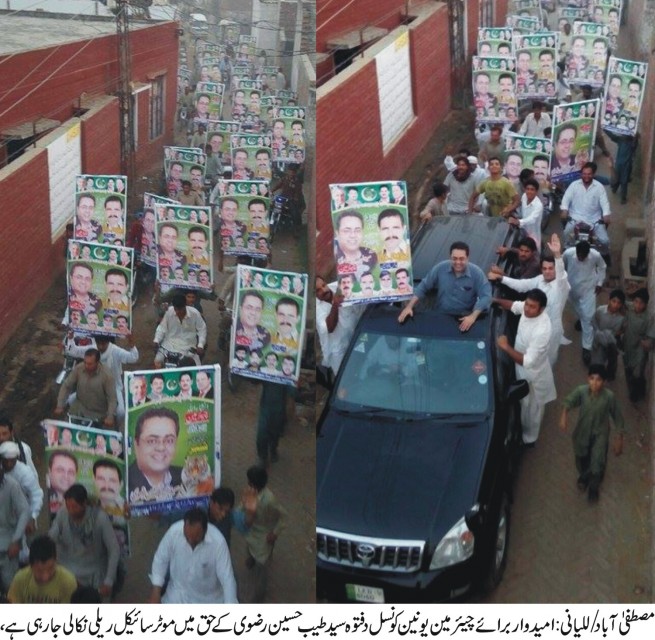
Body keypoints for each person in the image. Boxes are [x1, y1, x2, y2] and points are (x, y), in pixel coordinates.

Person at [489, 234, 570, 365]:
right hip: (532, 325)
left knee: (545, 362)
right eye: (544, 268)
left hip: (550, 332)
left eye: (551, 268)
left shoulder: (561, 284)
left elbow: (561, 274)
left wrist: (557, 255)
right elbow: (522, 285)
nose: (547, 271)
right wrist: (501, 278)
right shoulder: (540, 279)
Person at [496, 289, 556, 446]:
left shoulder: (542, 330)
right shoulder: (527, 308)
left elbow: (528, 361)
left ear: (541, 309)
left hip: (533, 374)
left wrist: (505, 346)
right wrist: (493, 301)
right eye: (527, 304)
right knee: (523, 404)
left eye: (532, 307)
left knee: (532, 410)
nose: (527, 309)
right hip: (520, 366)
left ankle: (529, 439)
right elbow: (513, 305)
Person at [560, 365, 624, 502]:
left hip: (600, 435)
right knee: (581, 458)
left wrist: (619, 438)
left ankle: (593, 488)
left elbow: (618, 417)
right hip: (583, 432)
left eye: (599, 380)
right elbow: (569, 401)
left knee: (597, 462)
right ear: (587, 379)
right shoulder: (581, 392)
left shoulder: (609, 397)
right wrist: (564, 415)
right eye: (592, 378)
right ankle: (584, 476)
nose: (594, 383)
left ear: (604, 382)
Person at [398, 241, 492, 332]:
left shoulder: (477, 273)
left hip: (464, 319)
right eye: (454, 258)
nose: (458, 262)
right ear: (450, 257)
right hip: (441, 316)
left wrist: (473, 317)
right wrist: (409, 307)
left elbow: (486, 296)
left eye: (461, 258)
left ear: (467, 258)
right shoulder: (440, 268)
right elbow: (424, 286)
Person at [149, 507, 237, 604]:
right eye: (187, 537)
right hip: (177, 594)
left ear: (205, 530)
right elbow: (160, 560)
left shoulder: (218, 542)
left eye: (195, 538)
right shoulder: (174, 532)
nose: (190, 541)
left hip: (209, 600)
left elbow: (227, 579)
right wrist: (156, 592)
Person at [48, 484, 119, 598]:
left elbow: (114, 550)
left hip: (94, 574)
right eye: (68, 506)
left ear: (84, 504)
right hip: (68, 571)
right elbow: (52, 535)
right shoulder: (63, 513)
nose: (71, 511)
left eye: (75, 507)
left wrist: (108, 581)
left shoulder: (100, 518)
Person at [238, 466, 287, 603]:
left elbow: (284, 517)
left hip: (264, 537)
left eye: (250, 482)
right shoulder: (250, 493)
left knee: (261, 570)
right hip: (251, 532)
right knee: (249, 550)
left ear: (255, 484)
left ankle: (259, 596)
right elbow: (242, 506)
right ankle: (251, 559)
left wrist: (275, 533)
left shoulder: (269, 500)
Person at [563, 241, 607, 365]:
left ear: (588, 253)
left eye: (584, 255)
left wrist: (600, 283)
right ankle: (580, 318)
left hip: (589, 289)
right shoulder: (568, 254)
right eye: (579, 255)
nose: (581, 257)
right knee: (577, 309)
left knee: (588, 318)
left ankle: (586, 348)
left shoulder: (596, 255)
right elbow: (561, 266)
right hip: (572, 288)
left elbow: (603, 267)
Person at [315, 276, 364, 384]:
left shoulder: (340, 286)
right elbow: (329, 328)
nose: (324, 290)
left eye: (323, 285)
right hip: (337, 350)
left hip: (356, 341)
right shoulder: (317, 308)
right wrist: (335, 304)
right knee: (343, 382)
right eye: (318, 290)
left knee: (360, 374)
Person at [128, 407, 183, 502]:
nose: (161, 448)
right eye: (152, 441)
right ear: (136, 445)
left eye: (169, 440)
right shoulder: (125, 482)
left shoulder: (186, 476)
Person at [55, 348, 117, 427]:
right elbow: (66, 385)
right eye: (85, 362)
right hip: (79, 408)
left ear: (97, 363)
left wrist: (110, 416)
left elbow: (112, 398)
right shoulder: (79, 368)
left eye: (90, 364)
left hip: (98, 414)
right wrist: (60, 405)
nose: (86, 366)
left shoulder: (107, 376)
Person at [560, 162, 611, 257]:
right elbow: (566, 199)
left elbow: (605, 203)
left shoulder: (599, 187)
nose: (586, 176)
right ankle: (567, 250)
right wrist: (564, 210)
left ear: (593, 174)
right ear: (581, 174)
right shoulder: (574, 185)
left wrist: (606, 215)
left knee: (605, 241)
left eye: (589, 174)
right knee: (566, 233)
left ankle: (604, 255)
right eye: (584, 174)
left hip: (594, 220)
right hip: (575, 218)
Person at [7, 535, 77, 603]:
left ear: (56, 561)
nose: (45, 577)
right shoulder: (20, 579)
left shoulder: (68, 582)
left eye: (50, 568)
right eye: (39, 571)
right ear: (30, 565)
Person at [153, 293, 207, 368]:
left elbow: (202, 330)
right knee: (157, 361)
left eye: (180, 309)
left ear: (185, 306)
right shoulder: (169, 312)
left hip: (188, 347)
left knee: (196, 368)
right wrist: (156, 340)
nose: (177, 312)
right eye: (176, 309)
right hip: (168, 345)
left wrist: (200, 345)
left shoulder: (195, 313)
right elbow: (161, 328)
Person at [0, 442, 43, 535]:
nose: (9, 464)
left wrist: (33, 516)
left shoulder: (25, 472)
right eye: (6, 460)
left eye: (12, 460)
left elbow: (36, 495)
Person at [622, 288, 655, 403]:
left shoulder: (649, 318)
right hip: (628, 343)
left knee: (638, 370)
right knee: (628, 367)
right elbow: (623, 301)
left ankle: (636, 393)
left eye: (641, 303)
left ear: (645, 304)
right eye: (636, 301)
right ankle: (633, 387)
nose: (637, 305)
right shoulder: (630, 308)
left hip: (640, 347)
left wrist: (647, 343)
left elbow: (650, 338)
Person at [591, 289, 625, 380]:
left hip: (610, 342)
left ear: (621, 305)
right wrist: (598, 333)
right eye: (614, 301)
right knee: (597, 364)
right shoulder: (600, 310)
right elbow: (594, 322)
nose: (615, 305)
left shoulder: (620, 319)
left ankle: (611, 373)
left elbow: (616, 333)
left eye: (619, 303)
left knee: (613, 357)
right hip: (599, 339)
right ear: (609, 300)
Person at [606, 131, 639, 205]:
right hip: (621, 164)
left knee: (623, 181)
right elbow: (612, 136)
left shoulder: (630, 143)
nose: (623, 134)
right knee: (620, 179)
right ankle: (616, 190)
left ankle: (622, 197)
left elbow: (613, 136)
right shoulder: (622, 141)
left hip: (625, 165)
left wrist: (635, 136)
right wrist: (605, 129)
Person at [47, 451, 78, 515]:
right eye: (60, 470)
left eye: (71, 472)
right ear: (49, 472)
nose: (66, 476)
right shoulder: (40, 498)